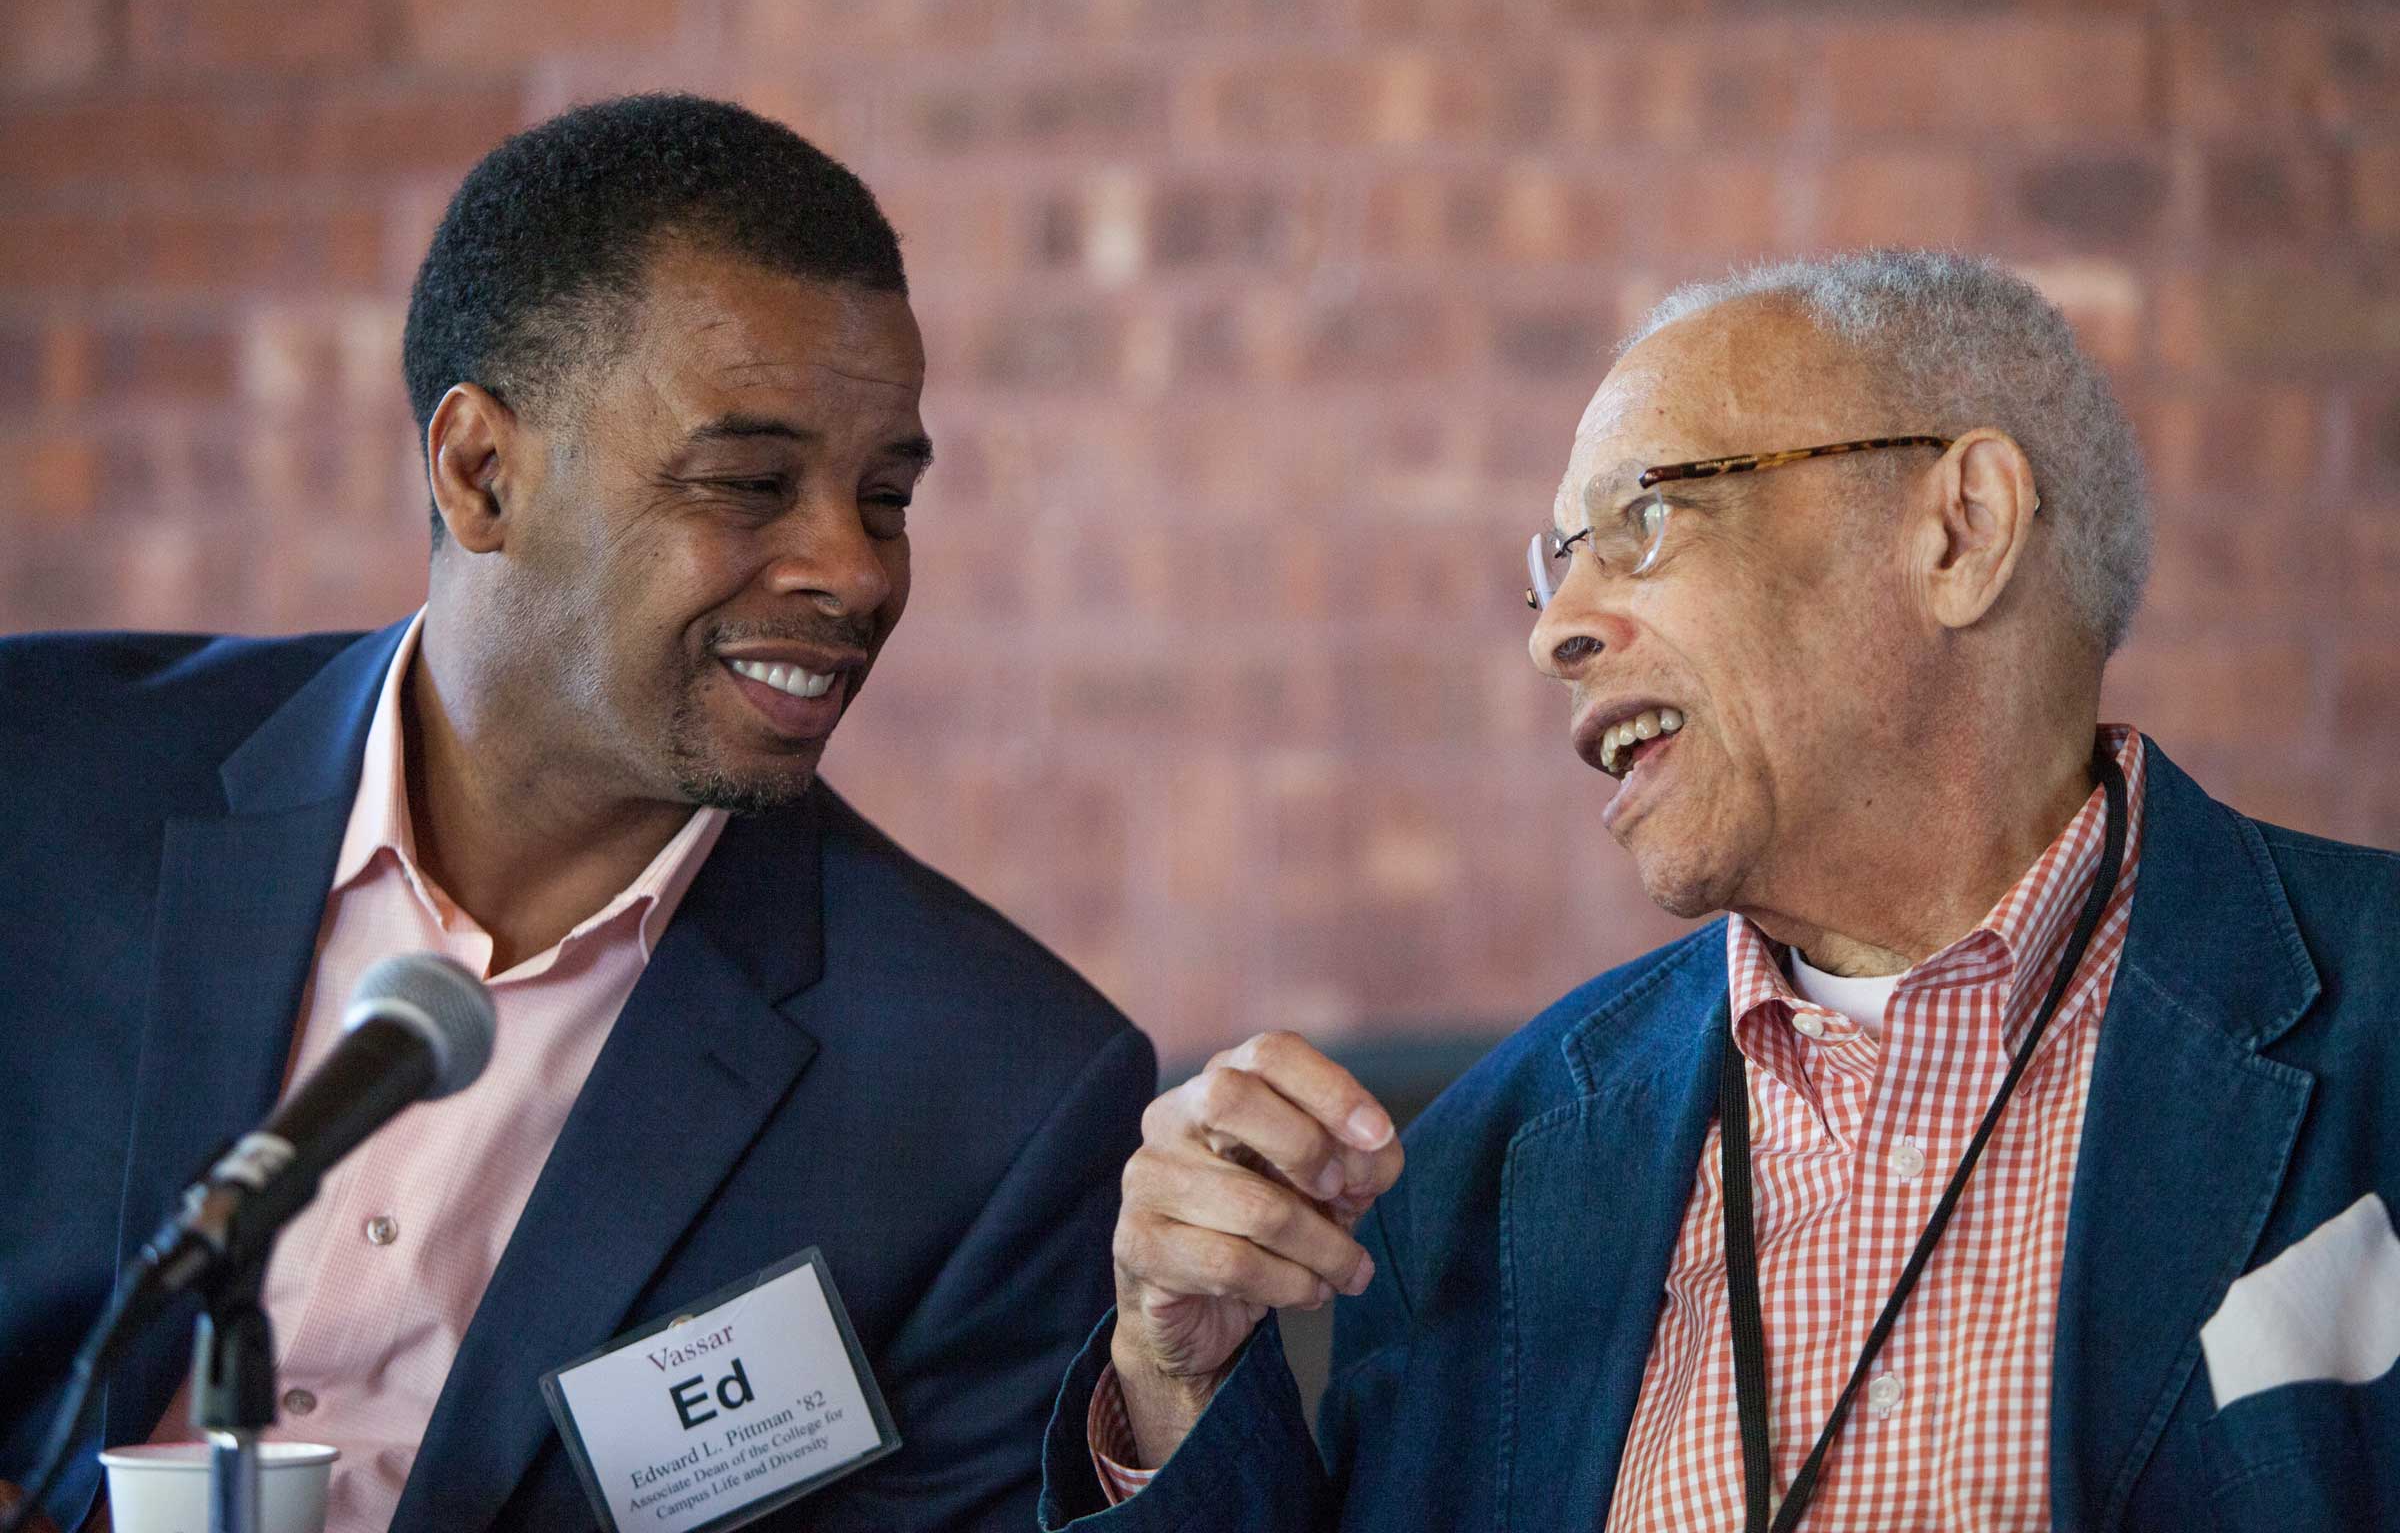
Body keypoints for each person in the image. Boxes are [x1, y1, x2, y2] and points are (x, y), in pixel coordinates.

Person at [1043, 251, 2400, 1532]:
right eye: (1550, 568)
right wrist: (1174, 1389)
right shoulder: (1476, 1183)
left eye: (1644, 519)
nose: (1559, 632)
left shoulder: (2373, 1019)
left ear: (1962, 531)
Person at [0, 93, 1155, 1533]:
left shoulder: (997, 1099)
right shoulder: (39, 786)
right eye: (748, 483)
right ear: (480, 471)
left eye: (885, 500)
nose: (852, 573)